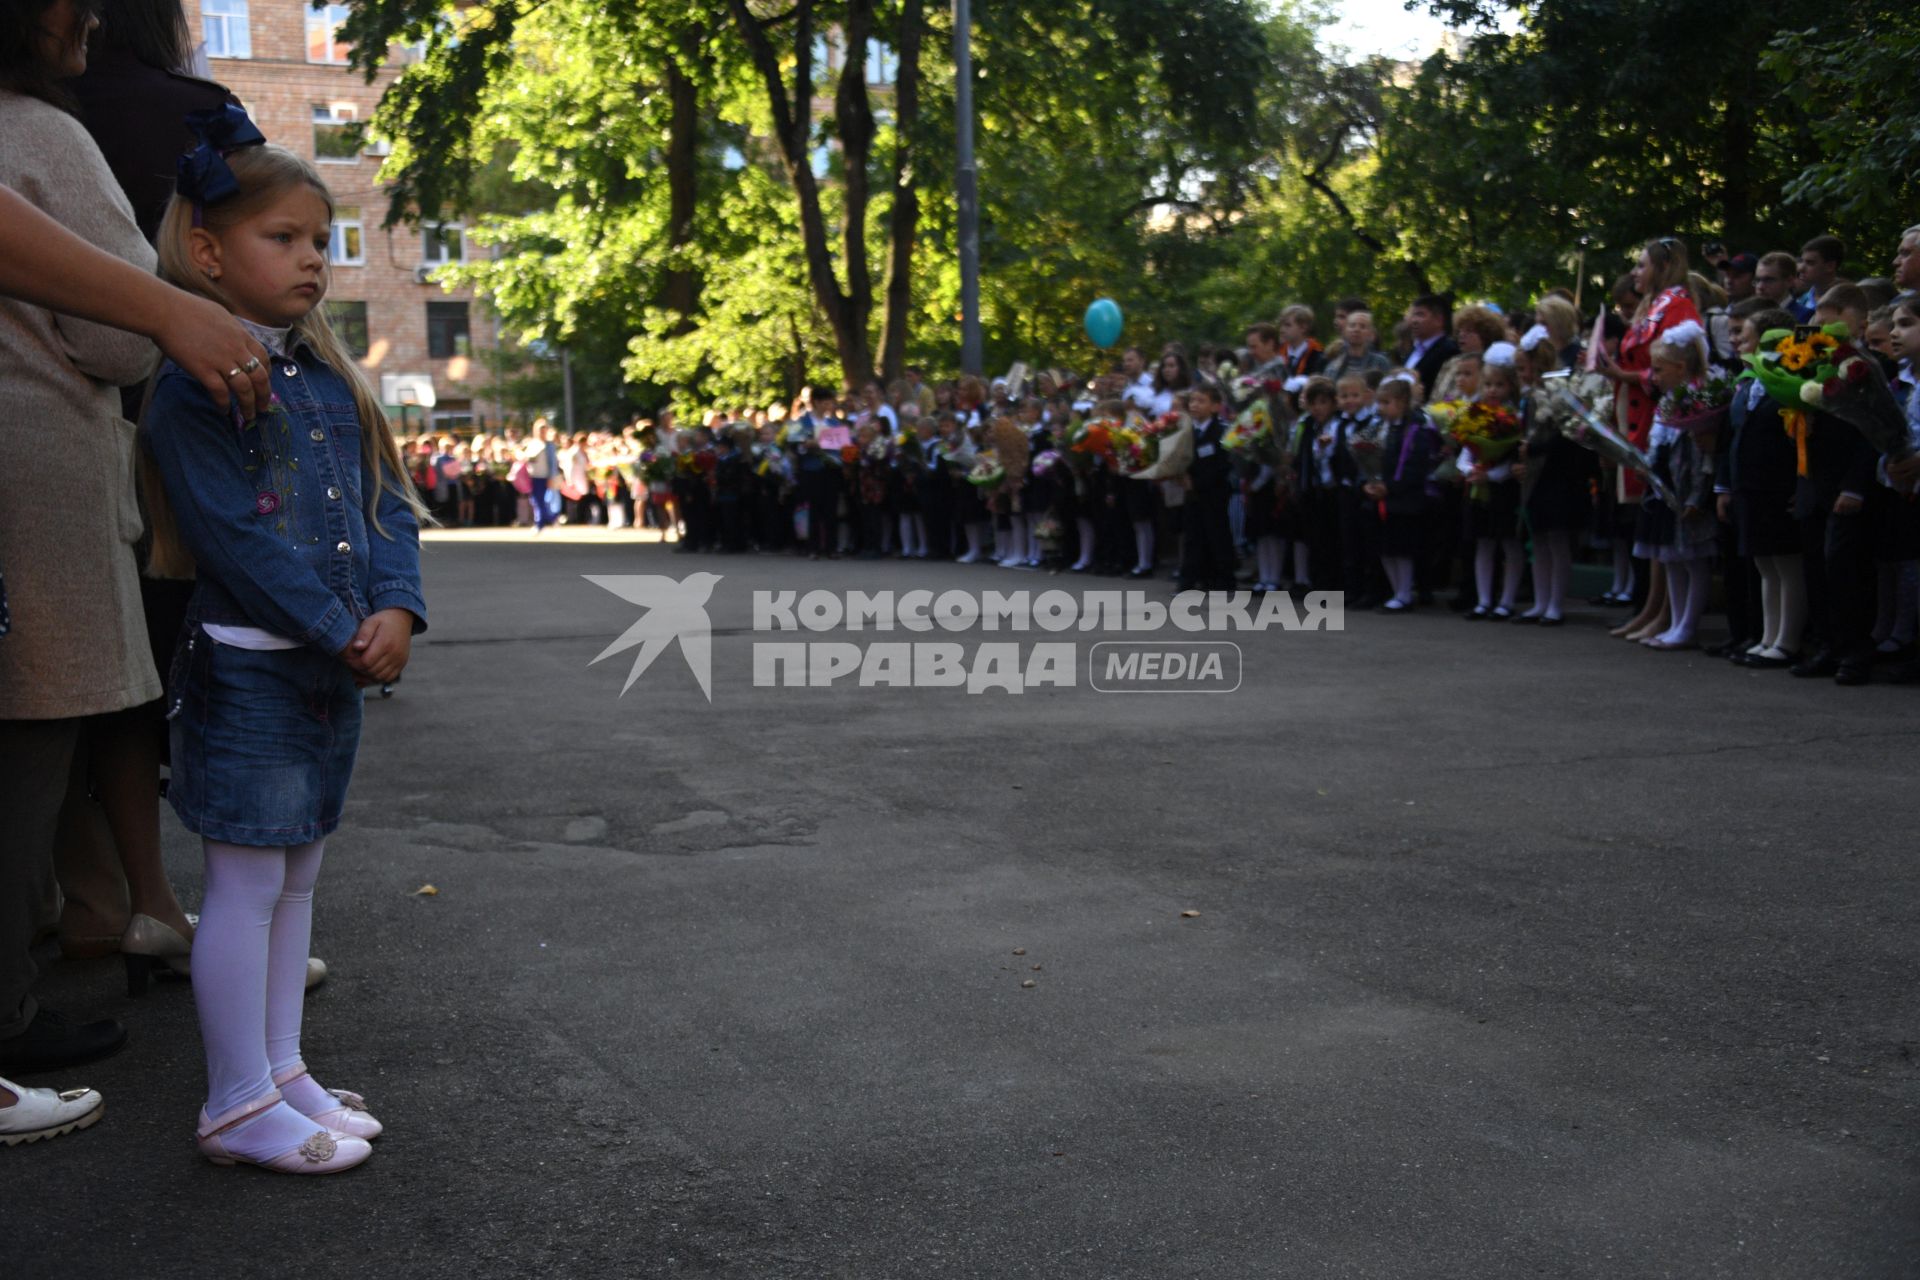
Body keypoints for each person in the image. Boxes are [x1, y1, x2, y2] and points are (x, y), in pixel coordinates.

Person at [142, 131, 427, 1173]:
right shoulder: (195, 382)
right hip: (254, 664)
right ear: (208, 253)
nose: (314, 257)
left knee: (295, 886)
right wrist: (334, 621)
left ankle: (281, 1070)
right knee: (247, 887)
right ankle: (233, 1101)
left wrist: (395, 606)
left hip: (319, 663)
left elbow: (387, 501)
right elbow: (232, 532)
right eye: (284, 236)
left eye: (322, 239)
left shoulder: (326, 374)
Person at [1717, 305, 1806, 668]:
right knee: (1765, 564)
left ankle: (1788, 640)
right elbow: (1732, 435)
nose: (1736, 341)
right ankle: (1767, 635)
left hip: (1777, 485)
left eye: (1744, 335)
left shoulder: (1790, 384)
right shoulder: (1747, 382)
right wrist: (1724, 486)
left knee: (1787, 564)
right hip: (1748, 486)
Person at [1512, 325, 1599, 625]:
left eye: (1524, 368)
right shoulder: (1532, 395)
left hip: (1557, 474)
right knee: (1538, 540)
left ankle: (1555, 602)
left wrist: (1533, 447)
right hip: (1536, 473)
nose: (1520, 374)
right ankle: (1540, 600)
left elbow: (1565, 435)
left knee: (1556, 539)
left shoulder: (1560, 392)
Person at [1462, 346, 1525, 620]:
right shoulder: (1475, 414)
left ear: (1510, 386)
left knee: (1509, 544)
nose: (1493, 390)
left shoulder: (1513, 419)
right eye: (1488, 384)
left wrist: (1492, 475)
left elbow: (1512, 461)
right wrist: (1470, 470)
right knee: (1483, 543)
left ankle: (1507, 600)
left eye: (1499, 384)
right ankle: (1484, 599)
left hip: (1504, 489)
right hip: (1479, 487)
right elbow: (1464, 452)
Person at [1365, 376, 1438, 612]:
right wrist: (1371, 483)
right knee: (1385, 548)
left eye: (1387, 402)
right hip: (1383, 496)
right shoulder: (1380, 428)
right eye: (1380, 402)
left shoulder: (1415, 430)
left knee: (1402, 549)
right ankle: (1397, 590)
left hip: (1405, 499)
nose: (1381, 408)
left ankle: (1405, 592)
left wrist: (1391, 487)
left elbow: (1413, 466)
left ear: (1403, 402)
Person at [1176, 386, 1235, 592]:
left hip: (1214, 491)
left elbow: (1223, 465)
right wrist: (1180, 475)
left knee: (1216, 533)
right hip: (1192, 492)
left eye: (1201, 401)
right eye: (1192, 401)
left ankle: (1223, 578)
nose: (1195, 405)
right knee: (1193, 534)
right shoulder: (1187, 432)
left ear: (1215, 406)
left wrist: (1198, 482)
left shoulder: (1221, 431)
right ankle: (1191, 578)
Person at [1404, 294, 1459, 402]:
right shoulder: (1413, 350)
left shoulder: (1449, 351)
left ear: (1439, 320)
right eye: (1413, 315)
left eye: (1420, 315)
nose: (1414, 320)